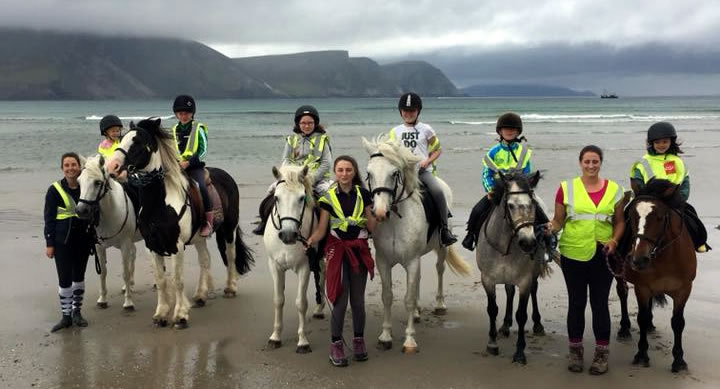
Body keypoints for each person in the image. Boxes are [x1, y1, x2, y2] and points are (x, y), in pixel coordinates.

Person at [545, 145, 625, 375]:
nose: (591, 165)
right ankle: (576, 351)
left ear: (601, 163)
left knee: (600, 304)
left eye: (595, 161)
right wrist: (550, 228)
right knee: (577, 302)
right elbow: (559, 220)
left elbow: (620, 222)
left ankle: (601, 355)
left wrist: (615, 241)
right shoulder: (565, 188)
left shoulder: (615, 189)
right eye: (587, 161)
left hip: (603, 256)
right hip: (573, 254)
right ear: (580, 163)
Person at [305, 155, 376, 367]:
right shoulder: (327, 197)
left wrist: (375, 214)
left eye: (348, 170)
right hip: (337, 250)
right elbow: (321, 229)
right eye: (340, 170)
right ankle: (335, 344)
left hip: (359, 249)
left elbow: (371, 227)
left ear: (354, 172)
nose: (344, 174)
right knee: (339, 300)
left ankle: (359, 340)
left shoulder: (364, 194)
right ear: (335, 173)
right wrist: (310, 241)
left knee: (357, 301)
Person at [461, 112, 556, 258]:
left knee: (538, 210)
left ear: (518, 131)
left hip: (519, 190)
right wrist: (489, 189)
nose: (509, 131)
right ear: (500, 131)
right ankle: (470, 236)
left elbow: (527, 172)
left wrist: (525, 188)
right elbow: (486, 174)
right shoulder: (493, 152)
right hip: (499, 190)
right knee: (477, 210)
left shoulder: (523, 151)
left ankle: (547, 240)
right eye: (506, 128)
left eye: (513, 129)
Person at [629, 121, 710, 252]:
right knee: (628, 216)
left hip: (672, 201)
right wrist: (646, 198)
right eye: (658, 142)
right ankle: (622, 247)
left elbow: (684, 183)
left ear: (671, 142)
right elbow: (637, 181)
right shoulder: (642, 162)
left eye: (665, 142)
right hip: (647, 202)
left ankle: (699, 240)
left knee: (692, 217)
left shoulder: (678, 162)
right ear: (651, 143)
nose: (661, 145)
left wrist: (679, 198)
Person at [252, 105, 333, 235]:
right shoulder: (291, 140)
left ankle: (332, 229)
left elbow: (326, 164)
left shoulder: (323, 140)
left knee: (330, 194)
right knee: (272, 189)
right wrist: (291, 176)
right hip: (293, 179)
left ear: (315, 123)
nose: (307, 126)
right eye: (303, 123)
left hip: (317, 180)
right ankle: (264, 221)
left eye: (310, 123)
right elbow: (286, 160)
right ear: (298, 124)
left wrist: (311, 179)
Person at [389, 92, 456, 246]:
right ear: (401, 112)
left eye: (412, 111)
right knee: (383, 190)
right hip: (402, 173)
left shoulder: (426, 129)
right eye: (405, 111)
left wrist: (427, 161)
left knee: (438, 192)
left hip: (422, 172)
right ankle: (377, 227)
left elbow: (438, 150)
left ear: (418, 111)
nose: (408, 114)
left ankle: (444, 230)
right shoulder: (394, 132)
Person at [44, 152, 95, 332]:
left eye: (74, 164)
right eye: (67, 165)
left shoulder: (85, 188)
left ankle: (77, 313)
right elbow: (49, 219)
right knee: (64, 279)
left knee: (78, 278)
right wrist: (49, 243)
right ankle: (65, 316)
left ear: (79, 167)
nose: (71, 168)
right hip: (61, 241)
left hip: (83, 240)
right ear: (62, 168)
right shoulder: (54, 190)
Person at [171, 95, 213, 237]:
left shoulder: (199, 128)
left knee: (201, 186)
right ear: (176, 114)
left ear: (192, 113)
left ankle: (208, 221)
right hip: (177, 167)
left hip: (195, 166)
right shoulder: (174, 130)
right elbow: (171, 149)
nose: (183, 116)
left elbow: (203, 151)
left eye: (186, 113)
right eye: (180, 113)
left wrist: (189, 162)